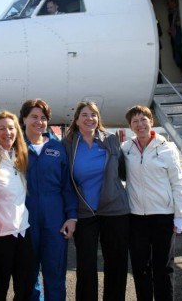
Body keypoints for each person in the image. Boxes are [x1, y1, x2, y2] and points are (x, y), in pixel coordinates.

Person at [62, 101, 130, 301]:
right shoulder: (68, 144)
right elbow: (66, 180)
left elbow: (124, 170)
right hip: (85, 212)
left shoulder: (110, 140)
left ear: (98, 118)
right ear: (76, 120)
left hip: (115, 210)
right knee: (86, 266)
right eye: (84, 115)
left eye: (93, 114)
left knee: (116, 264)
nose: (89, 118)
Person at [121, 105, 182, 301]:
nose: (140, 125)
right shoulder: (126, 149)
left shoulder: (167, 148)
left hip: (163, 216)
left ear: (152, 122)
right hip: (136, 217)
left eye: (143, 120)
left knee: (163, 268)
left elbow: (178, 183)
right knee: (140, 268)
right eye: (135, 121)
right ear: (130, 126)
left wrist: (180, 214)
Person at [19, 99, 78, 301]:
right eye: (34, 117)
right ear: (24, 118)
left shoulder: (57, 148)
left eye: (43, 118)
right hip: (24, 220)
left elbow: (67, 186)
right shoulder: (15, 148)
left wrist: (72, 217)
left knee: (55, 272)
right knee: (28, 274)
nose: (39, 122)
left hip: (54, 219)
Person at [0, 111, 37, 301]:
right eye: (2, 128)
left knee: (26, 286)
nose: (8, 132)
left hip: (22, 232)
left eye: (11, 128)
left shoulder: (19, 158)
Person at [167, 0, 182, 81]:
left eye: (170, 3)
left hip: (179, 40)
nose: (169, 5)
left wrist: (177, 25)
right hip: (176, 39)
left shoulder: (180, 11)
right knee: (178, 59)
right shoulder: (173, 13)